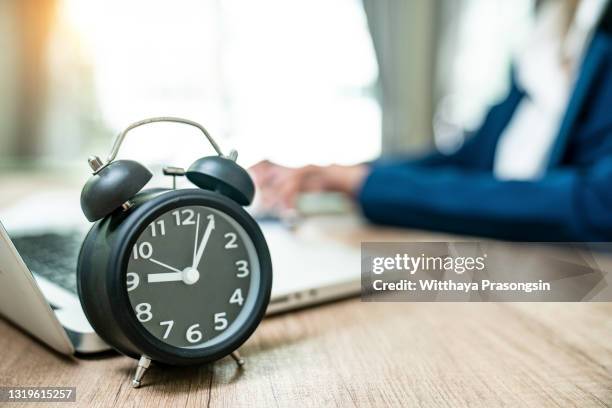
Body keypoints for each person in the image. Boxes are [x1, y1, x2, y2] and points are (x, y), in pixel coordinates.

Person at [250, 0, 612, 242]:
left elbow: (597, 204)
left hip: (576, 284)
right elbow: (470, 157)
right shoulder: (546, 38)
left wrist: (369, 183)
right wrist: (343, 174)